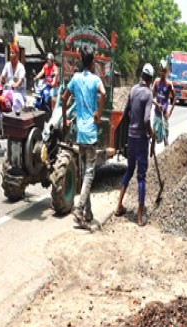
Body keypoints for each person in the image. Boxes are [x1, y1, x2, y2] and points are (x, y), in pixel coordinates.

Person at [61, 45, 106, 228]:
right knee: (89, 173)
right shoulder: (95, 80)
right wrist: (98, 113)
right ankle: (80, 208)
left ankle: (88, 213)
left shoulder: (75, 79)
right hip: (91, 133)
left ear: (81, 60)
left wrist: (65, 119)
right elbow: (103, 93)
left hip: (80, 132)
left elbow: (64, 98)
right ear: (93, 61)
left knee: (83, 170)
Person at [115, 64, 156, 226]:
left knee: (129, 170)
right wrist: (150, 133)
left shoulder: (133, 91)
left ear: (141, 76)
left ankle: (118, 206)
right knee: (141, 177)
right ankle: (139, 217)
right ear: (151, 79)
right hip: (141, 140)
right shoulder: (148, 94)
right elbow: (146, 119)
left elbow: (125, 114)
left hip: (131, 138)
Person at [152, 59, 175, 146]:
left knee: (165, 136)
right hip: (157, 113)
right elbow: (152, 96)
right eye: (161, 71)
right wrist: (157, 104)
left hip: (164, 114)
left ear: (167, 72)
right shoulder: (156, 82)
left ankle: (167, 154)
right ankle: (151, 156)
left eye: (164, 71)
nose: (162, 73)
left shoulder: (169, 84)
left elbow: (175, 98)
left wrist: (170, 112)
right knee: (153, 134)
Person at [0, 44, 27, 112]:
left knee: (15, 105)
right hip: (8, 92)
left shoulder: (21, 67)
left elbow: (20, 79)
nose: (10, 55)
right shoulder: (7, 65)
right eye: (10, 53)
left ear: (17, 55)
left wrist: (16, 84)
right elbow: (2, 76)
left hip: (19, 93)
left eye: (13, 53)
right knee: (0, 102)